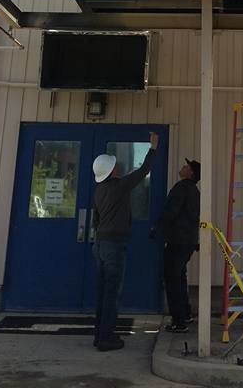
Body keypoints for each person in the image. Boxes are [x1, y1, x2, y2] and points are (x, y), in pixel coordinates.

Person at [92, 131, 159, 351]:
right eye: (115, 165)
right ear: (111, 171)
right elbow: (143, 172)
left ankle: (99, 333)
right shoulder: (118, 187)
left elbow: (96, 220)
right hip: (113, 245)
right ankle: (106, 338)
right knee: (112, 292)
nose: (119, 165)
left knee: (103, 291)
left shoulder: (99, 190)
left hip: (100, 244)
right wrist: (153, 148)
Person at [149, 157, 201, 333]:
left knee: (172, 280)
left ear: (191, 173)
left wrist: (157, 226)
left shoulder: (181, 188)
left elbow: (171, 210)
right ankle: (185, 313)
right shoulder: (195, 191)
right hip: (188, 241)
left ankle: (179, 322)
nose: (182, 166)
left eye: (186, 166)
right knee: (180, 277)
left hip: (177, 240)